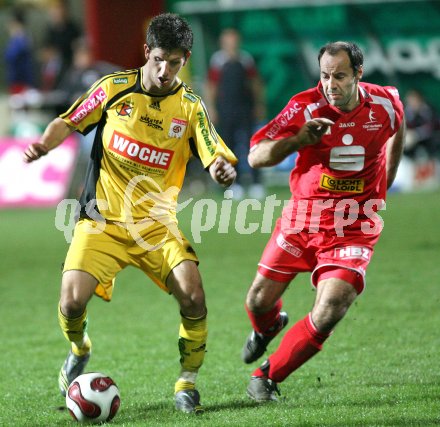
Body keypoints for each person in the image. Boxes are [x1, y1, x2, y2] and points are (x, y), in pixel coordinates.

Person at [23, 13, 237, 414]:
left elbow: (215, 153)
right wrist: (44, 145)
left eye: (174, 62)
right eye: (158, 59)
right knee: (70, 303)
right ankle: (79, 348)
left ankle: (187, 382)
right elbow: (67, 121)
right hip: (101, 222)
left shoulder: (189, 107)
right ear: (146, 52)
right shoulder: (113, 89)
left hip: (157, 226)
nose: (164, 70)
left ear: (184, 58)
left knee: (194, 297)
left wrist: (222, 170)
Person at [240, 41, 405, 401]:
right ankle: (268, 327)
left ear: (359, 74)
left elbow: (397, 128)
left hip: (355, 223)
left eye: (340, 76)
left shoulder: (385, 103)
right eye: (325, 76)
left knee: (332, 306)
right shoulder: (303, 107)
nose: (331, 84)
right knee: (256, 301)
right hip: (304, 219)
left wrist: (385, 183)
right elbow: (256, 156)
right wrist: (299, 139)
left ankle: (267, 376)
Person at [205, 28, 266, 199]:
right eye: (228, 41)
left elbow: (255, 83)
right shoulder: (217, 61)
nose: (231, 44)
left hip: (245, 108)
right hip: (225, 110)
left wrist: (259, 104)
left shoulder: (246, 59)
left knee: (251, 145)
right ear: (222, 43)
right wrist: (212, 108)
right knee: (228, 147)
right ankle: (235, 184)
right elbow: (211, 86)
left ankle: (256, 183)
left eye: (234, 41)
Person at [4, 8, 35, 94]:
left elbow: (10, 56)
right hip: (16, 80)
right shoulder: (19, 38)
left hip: (21, 81)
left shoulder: (21, 38)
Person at [403, 88, 439, 160]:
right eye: (410, 100)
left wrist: (416, 134)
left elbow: (431, 127)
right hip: (410, 143)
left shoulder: (429, 110)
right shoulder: (405, 111)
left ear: (420, 100)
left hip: (428, 140)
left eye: (414, 100)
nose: (412, 103)